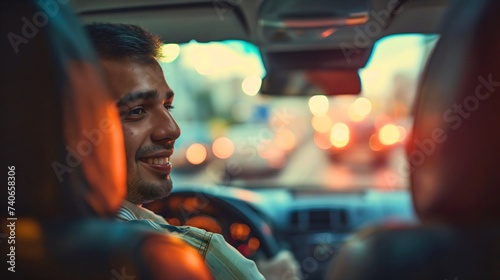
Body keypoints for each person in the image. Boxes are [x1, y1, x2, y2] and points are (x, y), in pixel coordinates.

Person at [84, 22, 301, 280]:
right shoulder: (191, 257)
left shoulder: (29, 239)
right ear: (71, 128)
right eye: (136, 111)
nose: (172, 129)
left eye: (168, 107)